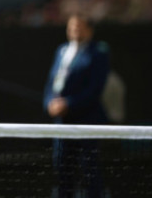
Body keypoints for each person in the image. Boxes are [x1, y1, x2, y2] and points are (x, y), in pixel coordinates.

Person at [43, 14, 110, 198]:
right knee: (63, 172)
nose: (75, 31)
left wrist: (69, 104)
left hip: (87, 123)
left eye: (79, 27)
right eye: (71, 27)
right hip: (62, 126)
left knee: (90, 172)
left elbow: (95, 89)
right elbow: (51, 84)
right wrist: (49, 103)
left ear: (89, 29)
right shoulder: (61, 50)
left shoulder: (99, 52)